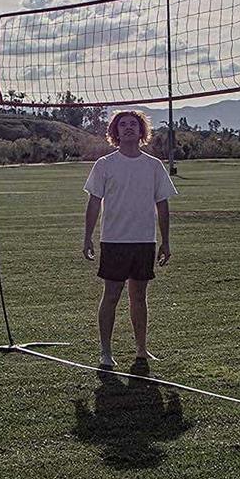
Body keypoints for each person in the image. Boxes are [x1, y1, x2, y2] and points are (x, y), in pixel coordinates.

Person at [82, 110, 178, 370]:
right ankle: (105, 352)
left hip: (144, 242)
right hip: (114, 241)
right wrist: (88, 236)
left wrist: (165, 241)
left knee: (139, 297)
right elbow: (93, 202)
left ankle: (141, 350)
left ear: (141, 131)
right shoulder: (104, 164)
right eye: (122, 125)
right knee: (111, 295)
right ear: (115, 132)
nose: (127, 128)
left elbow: (163, 205)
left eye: (133, 124)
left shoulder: (154, 166)